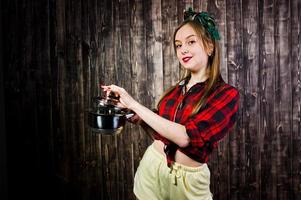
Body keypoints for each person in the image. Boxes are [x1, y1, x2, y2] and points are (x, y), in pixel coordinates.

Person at [102, 7, 239, 200]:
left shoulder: (226, 94)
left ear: (210, 47)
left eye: (191, 42)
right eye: (178, 45)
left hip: (188, 184)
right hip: (153, 167)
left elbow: (185, 138)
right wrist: (139, 119)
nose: (183, 49)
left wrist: (134, 104)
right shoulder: (175, 90)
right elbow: (161, 136)